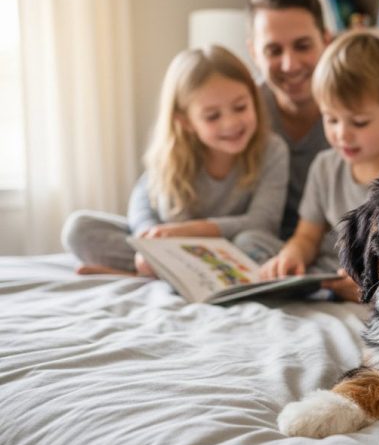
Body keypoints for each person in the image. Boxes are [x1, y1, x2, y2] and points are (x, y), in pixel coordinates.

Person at [62, 45, 289, 275]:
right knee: (79, 228)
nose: (230, 123)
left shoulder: (272, 150)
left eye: (240, 107)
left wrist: (190, 230)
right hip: (176, 248)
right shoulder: (173, 155)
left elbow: (262, 222)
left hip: (233, 246)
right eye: (212, 116)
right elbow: (142, 202)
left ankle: (153, 274)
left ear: (254, 100)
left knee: (252, 242)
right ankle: (160, 270)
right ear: (185, 121)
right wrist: (149, 241)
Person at [259, 31, 379, 302]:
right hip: (329, 278)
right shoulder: (325, 167)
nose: (342, 134)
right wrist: (293, 254)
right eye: (331, 119)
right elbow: (307, 236)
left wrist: (374, 284)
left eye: (359, 122)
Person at [247, 0, 332, 241]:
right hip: (259, 243)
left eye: (302, 46)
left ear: (326, 41)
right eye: (273, 50)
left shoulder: (364, 111)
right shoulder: (239, 110)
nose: (290, 65)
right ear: (254, 52)